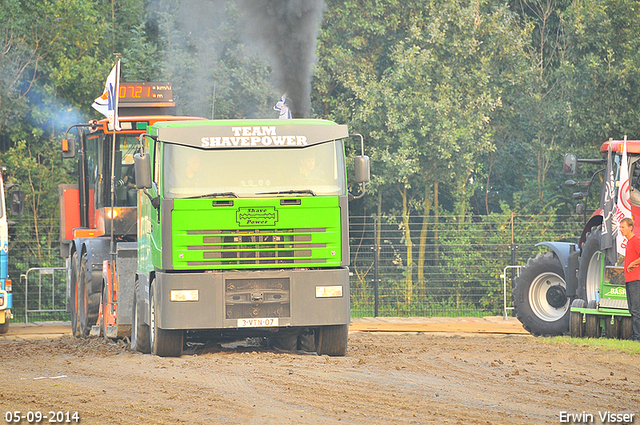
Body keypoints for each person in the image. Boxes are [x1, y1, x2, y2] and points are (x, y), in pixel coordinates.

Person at [619, 217, 640, 341]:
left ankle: (637, 337)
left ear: (630, 227)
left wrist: (633, 263)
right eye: (620, 227)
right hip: (629, 279)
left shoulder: (636, 240)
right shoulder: (629, 242)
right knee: (632, 309)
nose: (621, 230)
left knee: (636, 310)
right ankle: (635, 335)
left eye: (623, 227)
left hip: (635, 280)